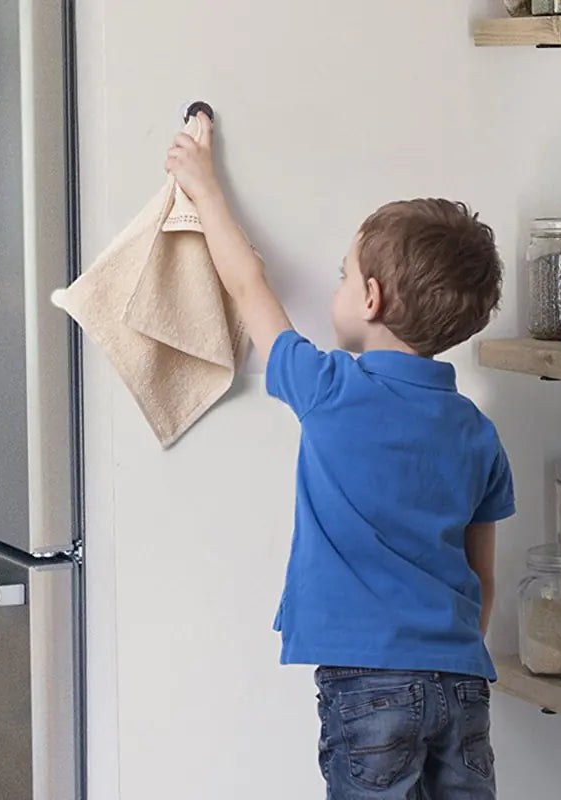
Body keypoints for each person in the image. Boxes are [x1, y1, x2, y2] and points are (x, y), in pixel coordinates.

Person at [166, 112, 515, 800]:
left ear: (372, 298)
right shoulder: (477, 431)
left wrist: (204, 189)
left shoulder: (329, 388)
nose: (337, 287)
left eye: (342, 274)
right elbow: (483, 578)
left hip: (367, 684)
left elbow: (248, 288)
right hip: (461, 682)